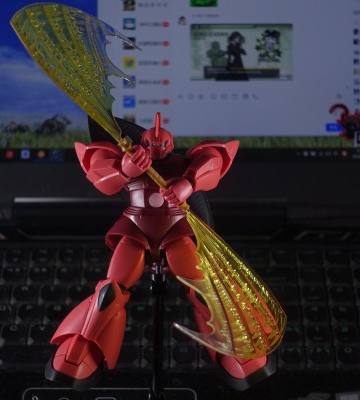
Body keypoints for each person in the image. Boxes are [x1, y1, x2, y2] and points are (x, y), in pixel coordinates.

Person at [45, 112, 272, 391]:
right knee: (109, 291)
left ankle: (236, 348)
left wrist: (189, 183)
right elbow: (98, 169)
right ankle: (80, 348)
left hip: (176, 231)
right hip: (135, 230)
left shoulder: (181, 165)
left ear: (170, 145)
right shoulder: (129, 158)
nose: (156, 150)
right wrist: (125, 169)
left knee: (204, 288)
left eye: (162, 145)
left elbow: (215, 158)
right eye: (152, 145)